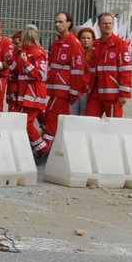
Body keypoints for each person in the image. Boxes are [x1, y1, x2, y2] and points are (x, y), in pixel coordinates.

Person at [41, 12, 86, 158]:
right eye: (56, 22)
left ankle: (46, 148)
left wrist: (74, 91)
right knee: (59, 119)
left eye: (60, 22)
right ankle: (64, 149)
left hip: (64, 91)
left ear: (69, 24)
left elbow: (78, 70)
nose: (57, 24)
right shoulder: (56, 43)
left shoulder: (74, 44)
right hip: (55, 90)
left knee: (52, 117)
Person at [84, 13, 132, 118]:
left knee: (114, 125)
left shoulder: (120, 44)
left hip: (113, 95)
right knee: (90, 121)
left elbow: (126, 70)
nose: (108, 26)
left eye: (110, 23)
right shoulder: (95, 45)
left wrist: (124, 93)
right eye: (105, 23)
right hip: (95, 93)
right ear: (99, 25)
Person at [13, 25, 49, 153]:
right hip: (26, 94)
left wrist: (26, 63)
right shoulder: (25, 52)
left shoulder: (37, 52)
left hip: (34, 94)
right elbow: (17, 70)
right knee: (24, 122)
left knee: (26, 123)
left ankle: (43, 149)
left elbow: (41, 75)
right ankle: (40, 147)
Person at [73, 26, 97, 116]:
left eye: (88, 38)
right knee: (72, 116)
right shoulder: (75, 52)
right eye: (83, 38)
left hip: (88, 92)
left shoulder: (95, 54)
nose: (86, 40)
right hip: (75, 90)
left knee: (85, 116)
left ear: (93, 40)